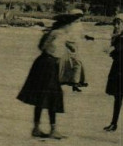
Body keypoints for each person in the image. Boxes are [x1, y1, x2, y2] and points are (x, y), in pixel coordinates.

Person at [16, 11, 82, 139]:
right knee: (53, 95)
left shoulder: (54, 33)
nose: (71, 27)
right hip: (48, 65)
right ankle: (52, 129)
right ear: (66, 25)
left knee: (43, 95)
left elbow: (42, 46)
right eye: (70, 24)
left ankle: (37, 128)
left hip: (43, 64)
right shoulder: (60, 34)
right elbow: (56, 48)